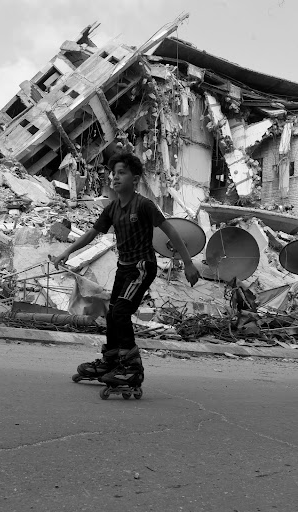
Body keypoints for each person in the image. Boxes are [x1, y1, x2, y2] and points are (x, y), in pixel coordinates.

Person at [52, 150, 200, 388]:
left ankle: (132, 368)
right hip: (124, 268)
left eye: (122, 173)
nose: (115, 177)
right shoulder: (112, 209)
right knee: (112, 314)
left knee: (120, 312)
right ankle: (110, 361)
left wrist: (189, 263)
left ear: (135, 179)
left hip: (142, 267)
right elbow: (91, 233)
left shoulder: (144, 205)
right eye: (113, 173)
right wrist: (67, 252)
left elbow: (171, 231)